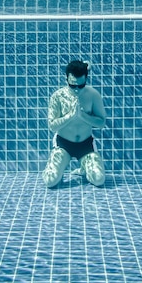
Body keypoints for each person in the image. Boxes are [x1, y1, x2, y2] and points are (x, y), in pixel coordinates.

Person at [42, 60, 107, 188]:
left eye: (81, 86)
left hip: (86, 145)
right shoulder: (58, 96)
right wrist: (70, 116)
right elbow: (52, 126)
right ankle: (57, 167)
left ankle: (84, 168)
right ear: (66, 79)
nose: (77, 90)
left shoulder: (93, 95)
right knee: (50, 181)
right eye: (73, 86)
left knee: (99, 180)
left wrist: (83, 116)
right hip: (63, 144)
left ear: (86, 79)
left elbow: (101, 123)